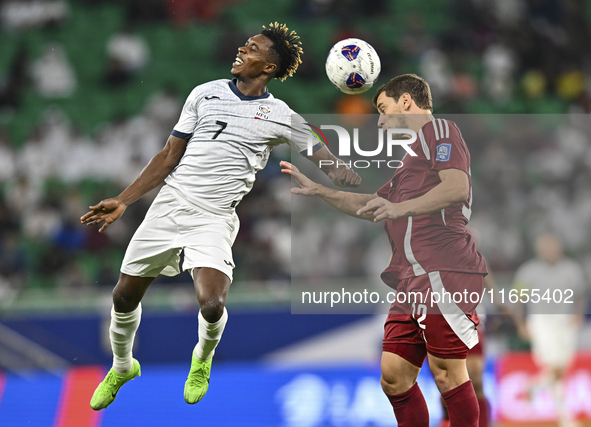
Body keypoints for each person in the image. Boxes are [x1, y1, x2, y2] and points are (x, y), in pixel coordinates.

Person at [81, 22, 360, 411]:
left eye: (253, 48)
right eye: (245, 44)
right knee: (123, 296)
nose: (242, 49)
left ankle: (202, 360)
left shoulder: (281, 115)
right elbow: (168, 156)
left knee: (211, 303)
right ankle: (123, 366)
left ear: (267, 67)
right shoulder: (204, 94)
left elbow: (325, 159)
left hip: (214, 217)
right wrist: (125, 200)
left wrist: (350, 174)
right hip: (171, 203)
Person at [281, 73, 488, 427]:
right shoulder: (412, 159)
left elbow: (456, 187)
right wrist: (321, 191)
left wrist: (401, 208)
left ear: (406, 101)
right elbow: (373, 205)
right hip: (412, 279)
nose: (379, 120)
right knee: (393, 376)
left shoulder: (440, 131)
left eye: (383, 108)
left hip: (442, 268)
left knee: (448, 375)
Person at [513, 232, 588, 427]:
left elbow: (580, 295)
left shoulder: (572, 269)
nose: (550, 251)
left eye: (553, 246)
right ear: (539, 249)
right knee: (554, 367)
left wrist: (577, 315)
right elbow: (517, 300)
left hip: (565, 323)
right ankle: (564, 418)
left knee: (561, 369)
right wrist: (521, 324)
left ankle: (536, 386)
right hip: (541, 323)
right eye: (545, 247)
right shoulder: (527, 271)